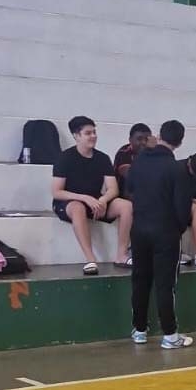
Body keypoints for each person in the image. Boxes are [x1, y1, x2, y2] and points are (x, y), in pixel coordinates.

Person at [127, 120, 194, 349]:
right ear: (180, 142)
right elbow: (183, 208)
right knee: (165, 285)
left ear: (160, 135)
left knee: (140, 280)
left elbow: (130, 190)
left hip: (139, 229)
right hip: (166, 232)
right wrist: (177, 228)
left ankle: (139, 330)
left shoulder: (138, 162)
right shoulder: (177, 169)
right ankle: (170, 335)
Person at [51, 115, 133, 275]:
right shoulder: (64, 158)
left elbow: (113, 189)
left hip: (96, 201)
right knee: (78, 208)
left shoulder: (102, 158)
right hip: (70, 202)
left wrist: (103, 199)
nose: (93, 136)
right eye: (88, 133)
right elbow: (57, 192)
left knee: (126, 206)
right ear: (76, 136)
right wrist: (84, 198)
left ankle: (121, 255)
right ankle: (90, 259)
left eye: (94, 132)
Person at [113, 123, 152, 198]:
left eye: (147, 139)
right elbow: (131, 176)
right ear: (130, 140)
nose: (144, 142)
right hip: (122, 197)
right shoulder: (123, 152)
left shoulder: (153, 152)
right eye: (139, 139)